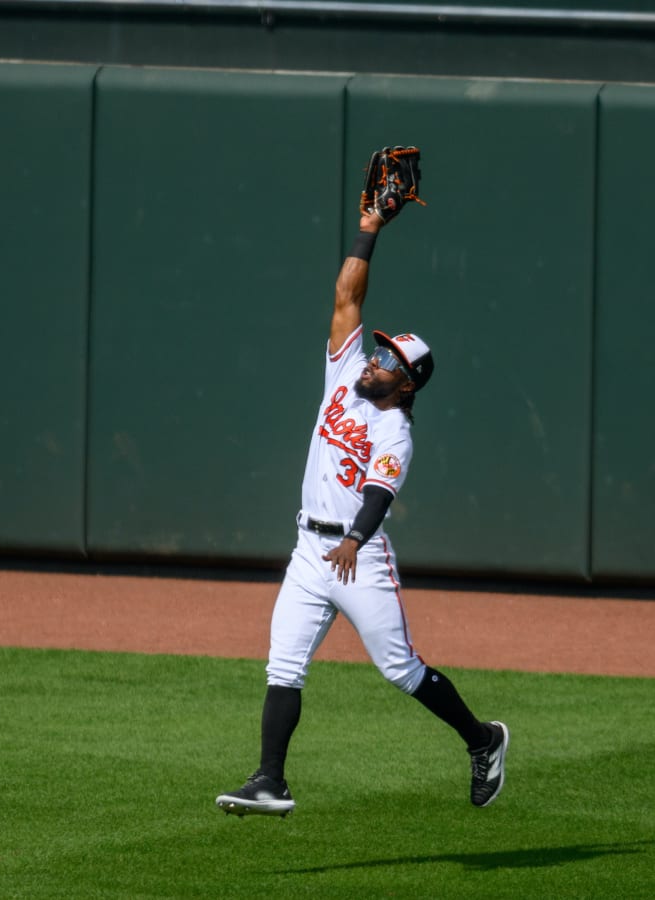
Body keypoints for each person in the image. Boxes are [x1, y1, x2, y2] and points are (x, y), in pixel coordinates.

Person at [215, 205, 509, 818]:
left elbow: (378, 495)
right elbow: (347, 294)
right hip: (308, 550)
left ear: (407, 384)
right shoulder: (344, 371)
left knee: (400, 668)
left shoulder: (395, 430)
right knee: (284, 664)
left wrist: (353, 538)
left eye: (389, 362)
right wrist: (370, 228)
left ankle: (483, 741)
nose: (375, 360)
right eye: (378, 353)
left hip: (360, 556)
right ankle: (271, 779)